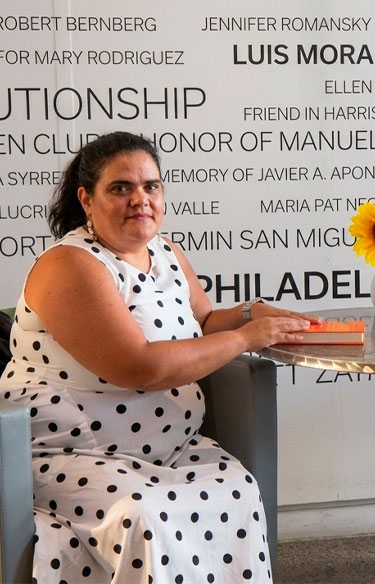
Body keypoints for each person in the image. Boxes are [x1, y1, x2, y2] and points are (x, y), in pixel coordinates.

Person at [0, 131, 321, 583]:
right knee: (146, 514)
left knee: (239, 489)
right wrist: (247, 337)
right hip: (73, 453)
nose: (140, 199)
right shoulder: (69, 264)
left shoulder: (166, 252)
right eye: (120, 188)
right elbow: (140, 367)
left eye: (150, 186)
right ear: (86, 199)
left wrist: (252, 312)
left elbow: (203, 322)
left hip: (171, 448)